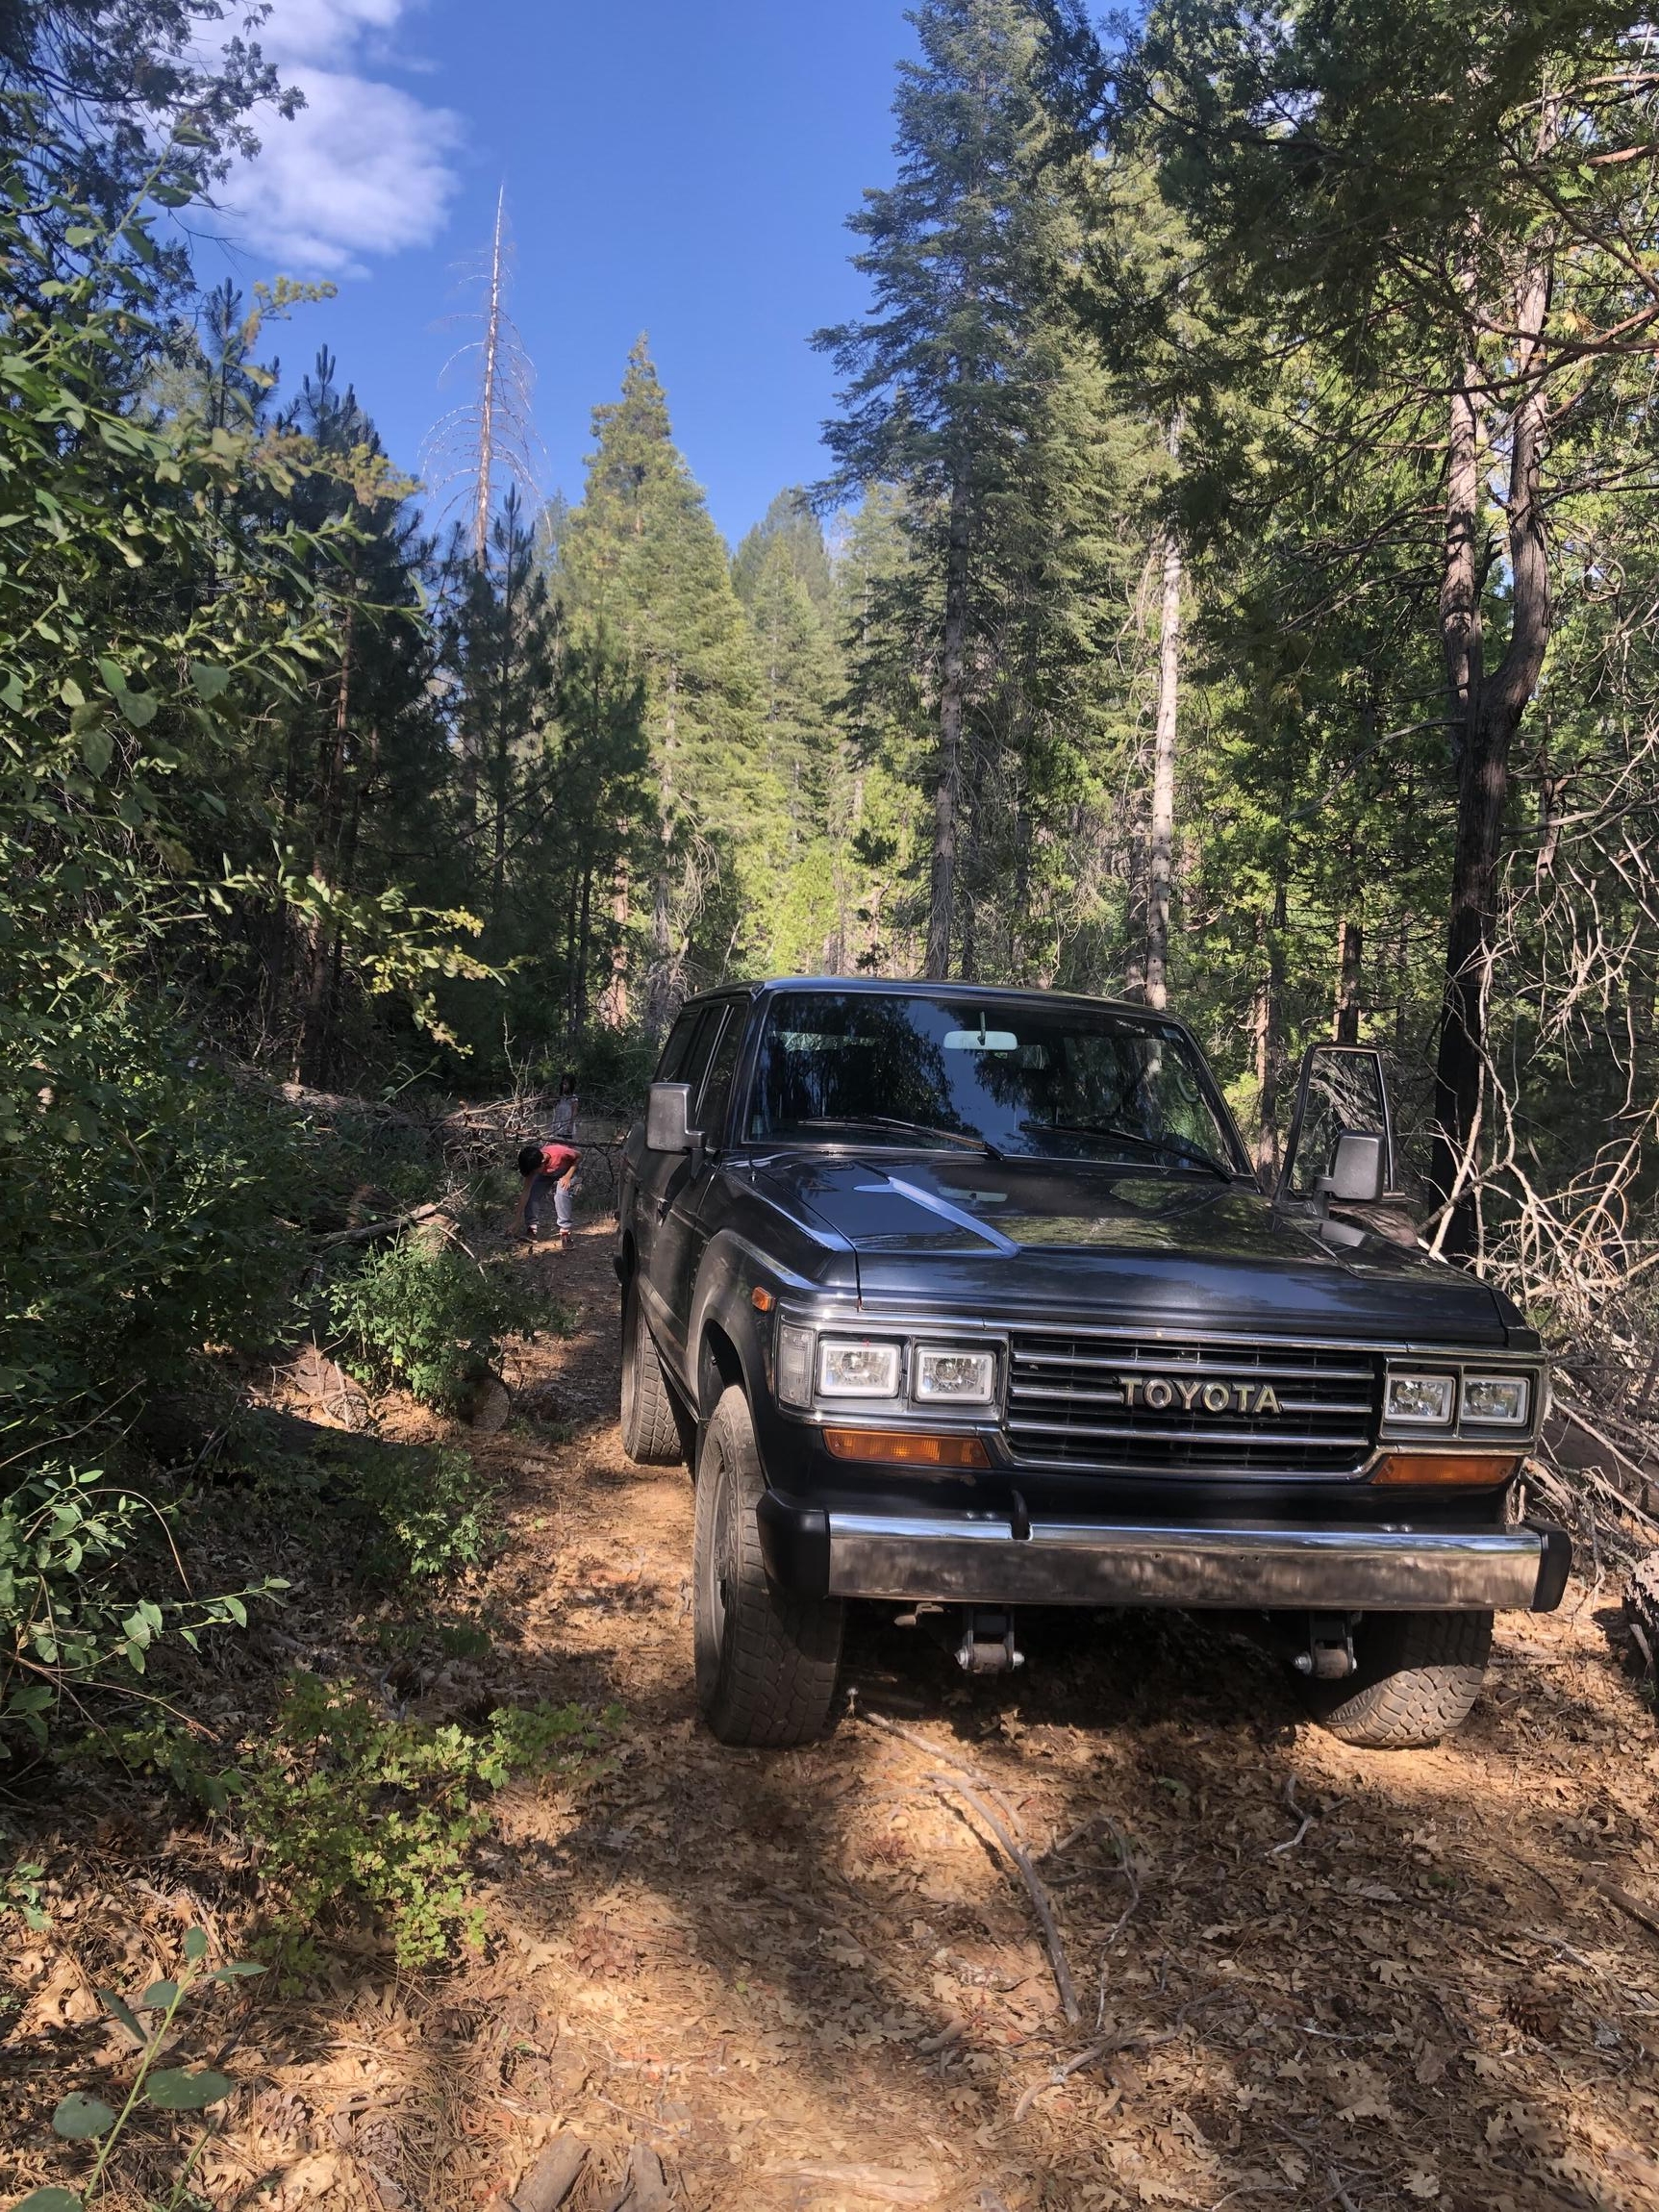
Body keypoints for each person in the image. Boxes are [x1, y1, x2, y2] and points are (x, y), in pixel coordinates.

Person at [515, 1138, 580, 1249]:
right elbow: (525, 1193)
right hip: (547, 1174)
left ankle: (565, 1233)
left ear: (542, 1163)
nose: (533, 1174)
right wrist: (516, 1221)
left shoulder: (559, 1152)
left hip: (567, 1170)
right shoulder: (533, 1165)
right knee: (532, 1194)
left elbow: (579, 1156)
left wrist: (568, 1176)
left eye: (534, 1171)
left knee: (561, 1193)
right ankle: (531, 1229)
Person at [548, 1069, 579, 1139]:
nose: (563, 1086)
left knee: (566, 1140)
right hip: (558, 1123)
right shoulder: (560, 1097)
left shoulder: (573, 1098)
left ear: (571, 1085)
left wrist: (571, 1125)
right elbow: (551, 1103)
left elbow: (574, 1112)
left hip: (567, 1124)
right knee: (557, 1138)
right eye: (562, 1084)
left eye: (565, 1084)